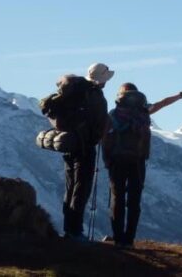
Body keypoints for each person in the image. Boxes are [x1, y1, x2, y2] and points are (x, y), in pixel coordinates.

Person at [103, 82, 182, 248]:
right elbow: (164, 102)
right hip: (138, 161)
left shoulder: (114, 114)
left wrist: (107, 160)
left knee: (117, 199)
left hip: (117, 161)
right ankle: (129, 239)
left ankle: (118, 239)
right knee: (134, 200)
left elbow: (105, 138)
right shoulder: (144, 111)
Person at [57, 62, 112, 240]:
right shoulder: (96, 96)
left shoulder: (75, 91)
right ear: (102, 79)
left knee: (70, 187)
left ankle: (68, 229)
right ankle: (75, 231)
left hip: (68, 144)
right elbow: (101, 123)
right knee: (81, 189)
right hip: (85, 146)